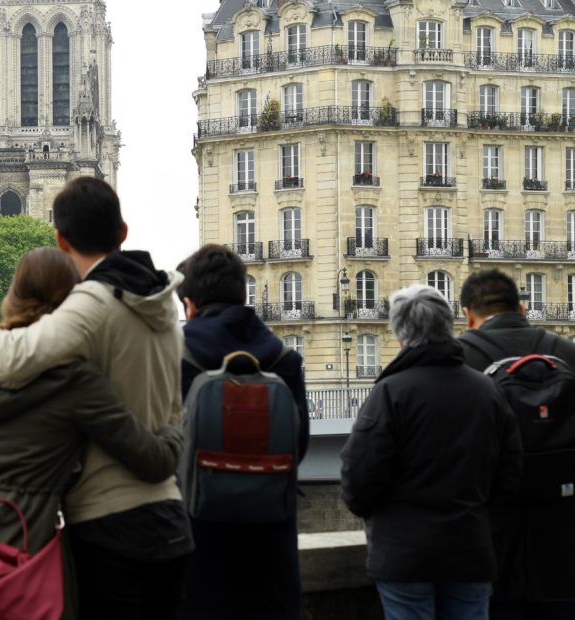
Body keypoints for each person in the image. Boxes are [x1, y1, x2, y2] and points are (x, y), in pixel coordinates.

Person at [0, 177, 192, 619]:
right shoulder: (164, 305)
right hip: (171, 519)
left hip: (110, 528)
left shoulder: (92, 304)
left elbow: (15, 356)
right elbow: (168, 413)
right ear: (123, 231)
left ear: (59, 237)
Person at [341, 284, 521, 620]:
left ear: (399, 333)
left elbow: (359, 477)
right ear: (448, 325)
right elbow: (509, 476)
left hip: (404, 555)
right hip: (470, 549)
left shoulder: (391, 392)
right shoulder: (487, 390)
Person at [175, 244, 309, 619]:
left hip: (199, 545)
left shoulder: (177, 356)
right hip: (272, 548)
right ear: (240, 291)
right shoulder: (284, 359)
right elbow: (299, 446)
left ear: (190, 305)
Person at [459, 269, 575, 619]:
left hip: (493, 532)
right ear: (521, 309)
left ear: (467, 313)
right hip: (564, 532)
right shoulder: (567, 352)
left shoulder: (459, 359)